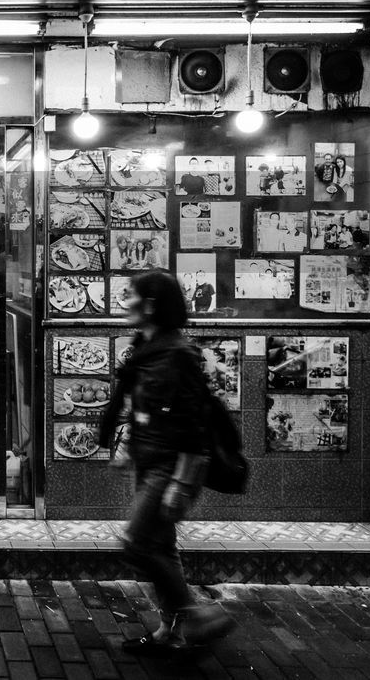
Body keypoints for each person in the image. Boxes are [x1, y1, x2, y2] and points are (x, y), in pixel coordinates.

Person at [99, 271, 234, 655]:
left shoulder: (178, 353)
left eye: (132, 296)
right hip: (150, 458)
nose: (126, 303)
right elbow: (146, 405)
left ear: (152, 305)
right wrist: (127, 445)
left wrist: (180, 481)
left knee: (137, 543)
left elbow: (194, 423)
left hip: (172, 466)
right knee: (162, 546)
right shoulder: (148, 344)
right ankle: (169, 632)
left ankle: (197, 615)